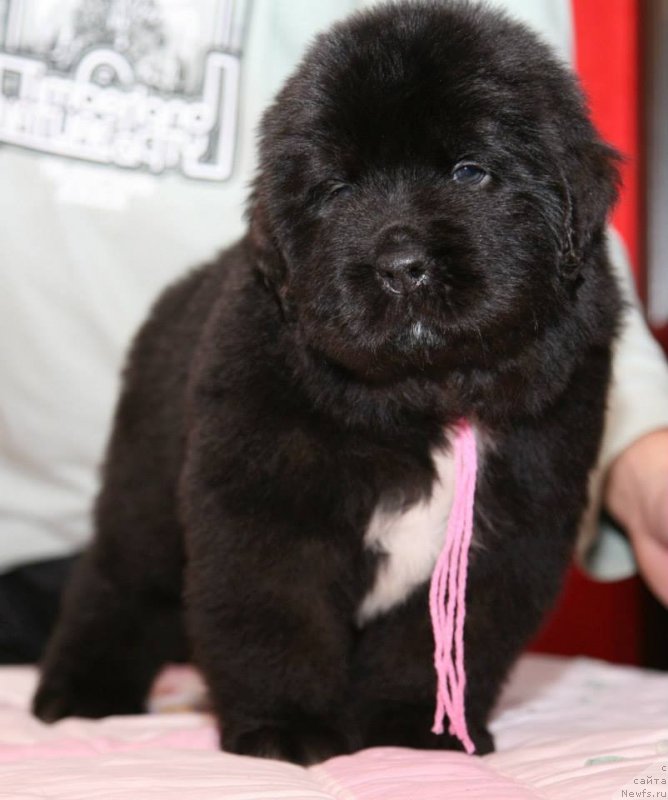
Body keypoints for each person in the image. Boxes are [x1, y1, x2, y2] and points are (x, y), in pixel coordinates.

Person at [0, 0, 667, 663]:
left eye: (469, 172)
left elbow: (568, 228)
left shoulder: (496, 74)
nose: (400, 252)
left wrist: (644, 448)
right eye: (340, 191)